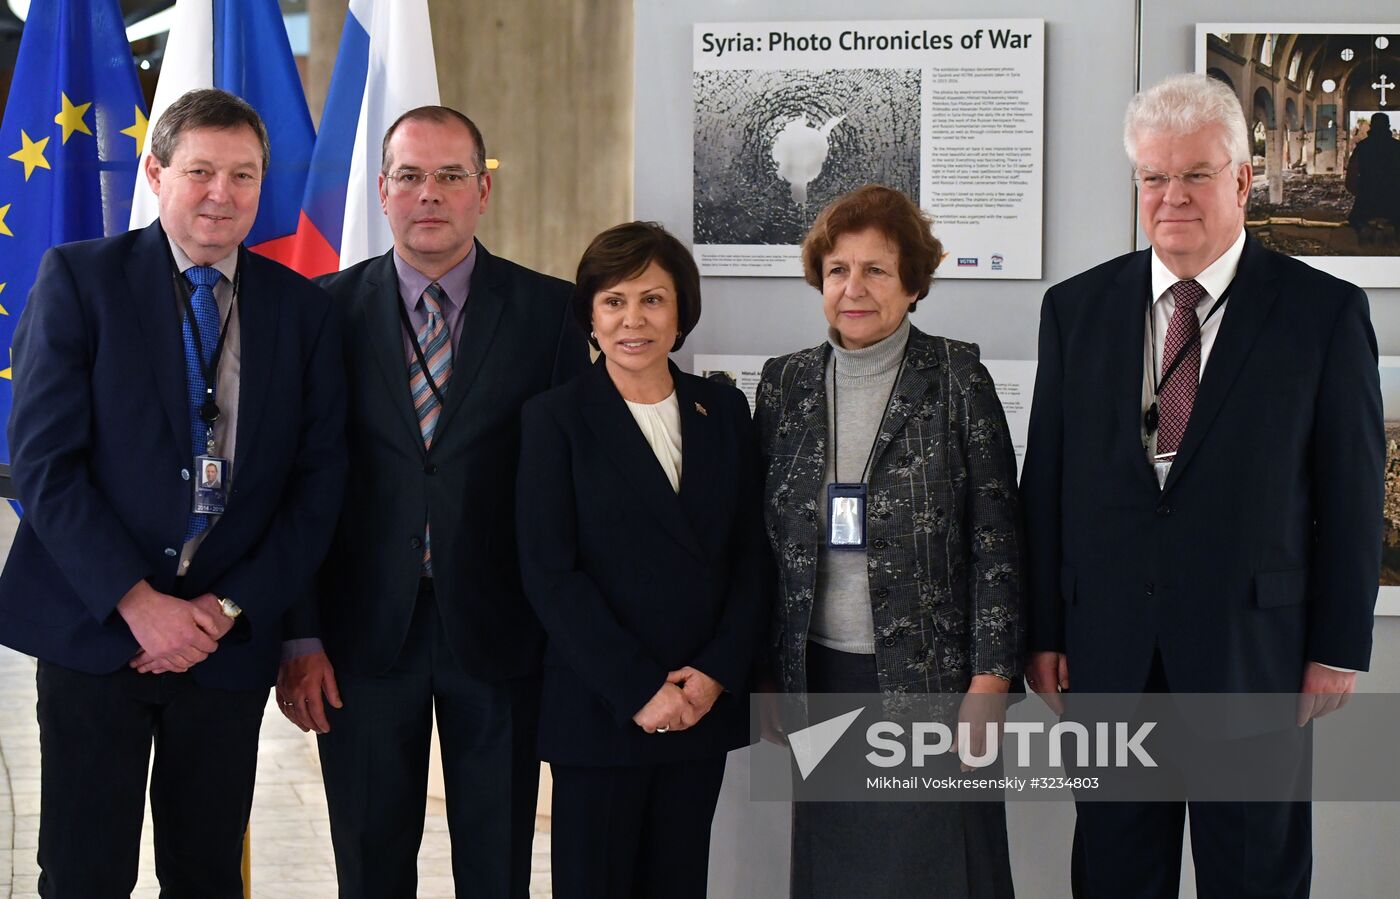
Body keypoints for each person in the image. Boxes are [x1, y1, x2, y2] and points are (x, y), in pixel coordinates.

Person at [1021, 73, 1383, 898]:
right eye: (1154, 176)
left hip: (1256, 657)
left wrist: (1337, 645)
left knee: (1255, 874)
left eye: (1195, 174)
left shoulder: (1322, 313)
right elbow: (1046, 482)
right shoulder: (1076, 310)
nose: (1171, 195)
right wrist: (1041, 628)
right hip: (1108, 653)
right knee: (1114, 873)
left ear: (1242, 180)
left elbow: (1353, 497)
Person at [0, 88, 347, 898]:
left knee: (206, 872)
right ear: (155, 173)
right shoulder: (81, 279)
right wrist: (136, 601)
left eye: (243, 174)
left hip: (223, 646)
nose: (222, 193)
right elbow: (46, 462)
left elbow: (317, 483)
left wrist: (226, 609)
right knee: (85, 873)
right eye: (200, 171)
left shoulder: (304, 310)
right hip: (94, 631)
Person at [275, 105, 588, 898]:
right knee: (371, 865)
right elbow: (296, 486)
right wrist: (300, 632)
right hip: (359, 639)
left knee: (498, 864)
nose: (430, 193)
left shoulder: (553, 313)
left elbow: (569, 492)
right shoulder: (321, 312)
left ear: (483, 191)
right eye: (410, 175)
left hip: (504, 634)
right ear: (381, 190)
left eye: (451, 175)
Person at [754, 184, 1022, 898]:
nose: (855, 288)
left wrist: (990, 680)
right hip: (822, 676)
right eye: (839, 269)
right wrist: (770, 671)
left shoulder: (958, 375)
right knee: (835, 867)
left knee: (940, 867)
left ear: (912, 282)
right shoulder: (787, 384)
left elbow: (997, 536)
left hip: (933, 679)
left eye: (876, 269)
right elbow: (763, 544)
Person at [516, 221, 769, 898]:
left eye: (653, 300)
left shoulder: (724, 407)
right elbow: (549, 572)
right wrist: (639, 689)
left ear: (680, 311)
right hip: (603, 708)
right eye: (615, 301)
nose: (634, 319)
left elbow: (751, 555)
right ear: (590, 319)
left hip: (698, 704)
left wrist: (714, 673)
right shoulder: (555, 418)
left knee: (680, 884)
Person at [1345, 111, 1400, 239]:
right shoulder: (1397, 148)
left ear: (1371, 126)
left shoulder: (1362, 148)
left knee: (1355, 220)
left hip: (1366, 203)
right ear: (1388, 127)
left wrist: (1361, 192)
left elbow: (1350, 180)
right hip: (1395, 203)